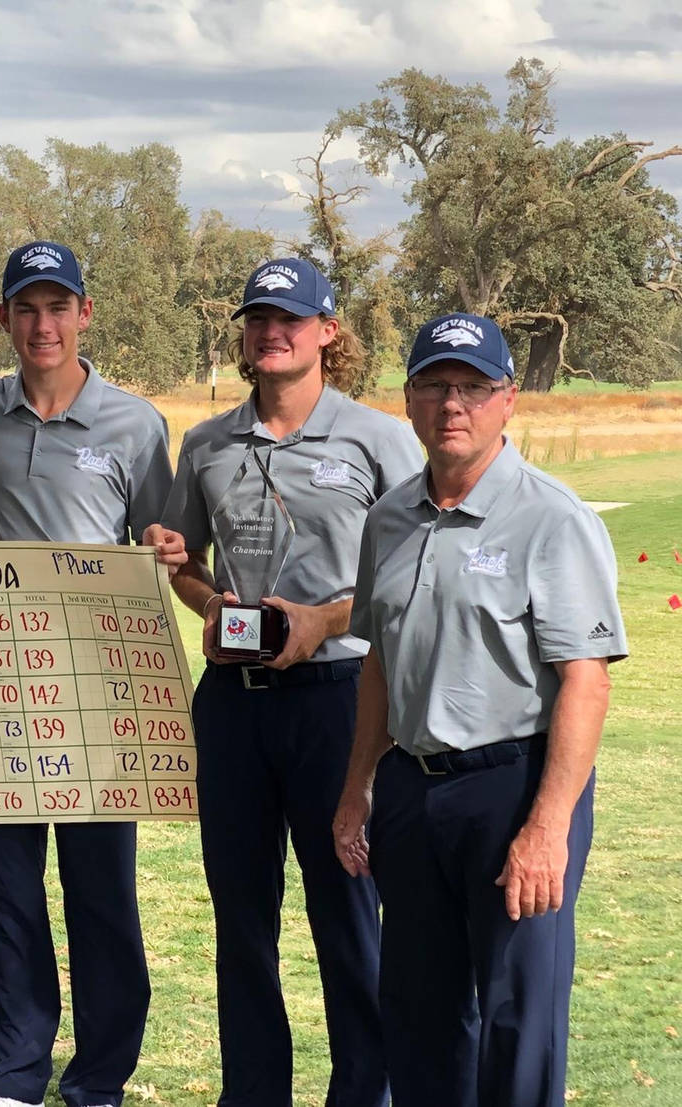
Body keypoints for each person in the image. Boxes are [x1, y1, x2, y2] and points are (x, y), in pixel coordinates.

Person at [333, 313, 623, 1106]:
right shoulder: (388, 517)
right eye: (434, 383)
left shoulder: (551, 517)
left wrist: (548, 824)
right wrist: (360, 785)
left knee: (516, 1016)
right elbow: (380, 664)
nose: (451, 403)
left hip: (514, 788)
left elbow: (586, 682)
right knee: (419, 1013)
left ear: (508, 399)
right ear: (410, 397)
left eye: (472, 386)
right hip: (412, 790)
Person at [161, 258, 421, 1106]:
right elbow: (188, 566)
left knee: (347, 914)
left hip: (339, 702)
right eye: (258, 319)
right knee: (242, 926)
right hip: (234, 707)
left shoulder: (377, 438)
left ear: (327, 331)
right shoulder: (206, 443)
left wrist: (322, 620)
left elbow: (415, 571)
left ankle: (364, 1092)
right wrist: (205, 603)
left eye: (291, 319)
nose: (272, 332)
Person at [0, 243, 177, 1107]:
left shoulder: (136, 424)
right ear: (3, 318)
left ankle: (100, 1074)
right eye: (25, 308)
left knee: (100, 891)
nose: (43, 324)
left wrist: (170, 554)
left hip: (95, 697)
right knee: (4, 891)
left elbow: (164, 548)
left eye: (57, 306)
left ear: (85, 314)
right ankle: (14, 1072)